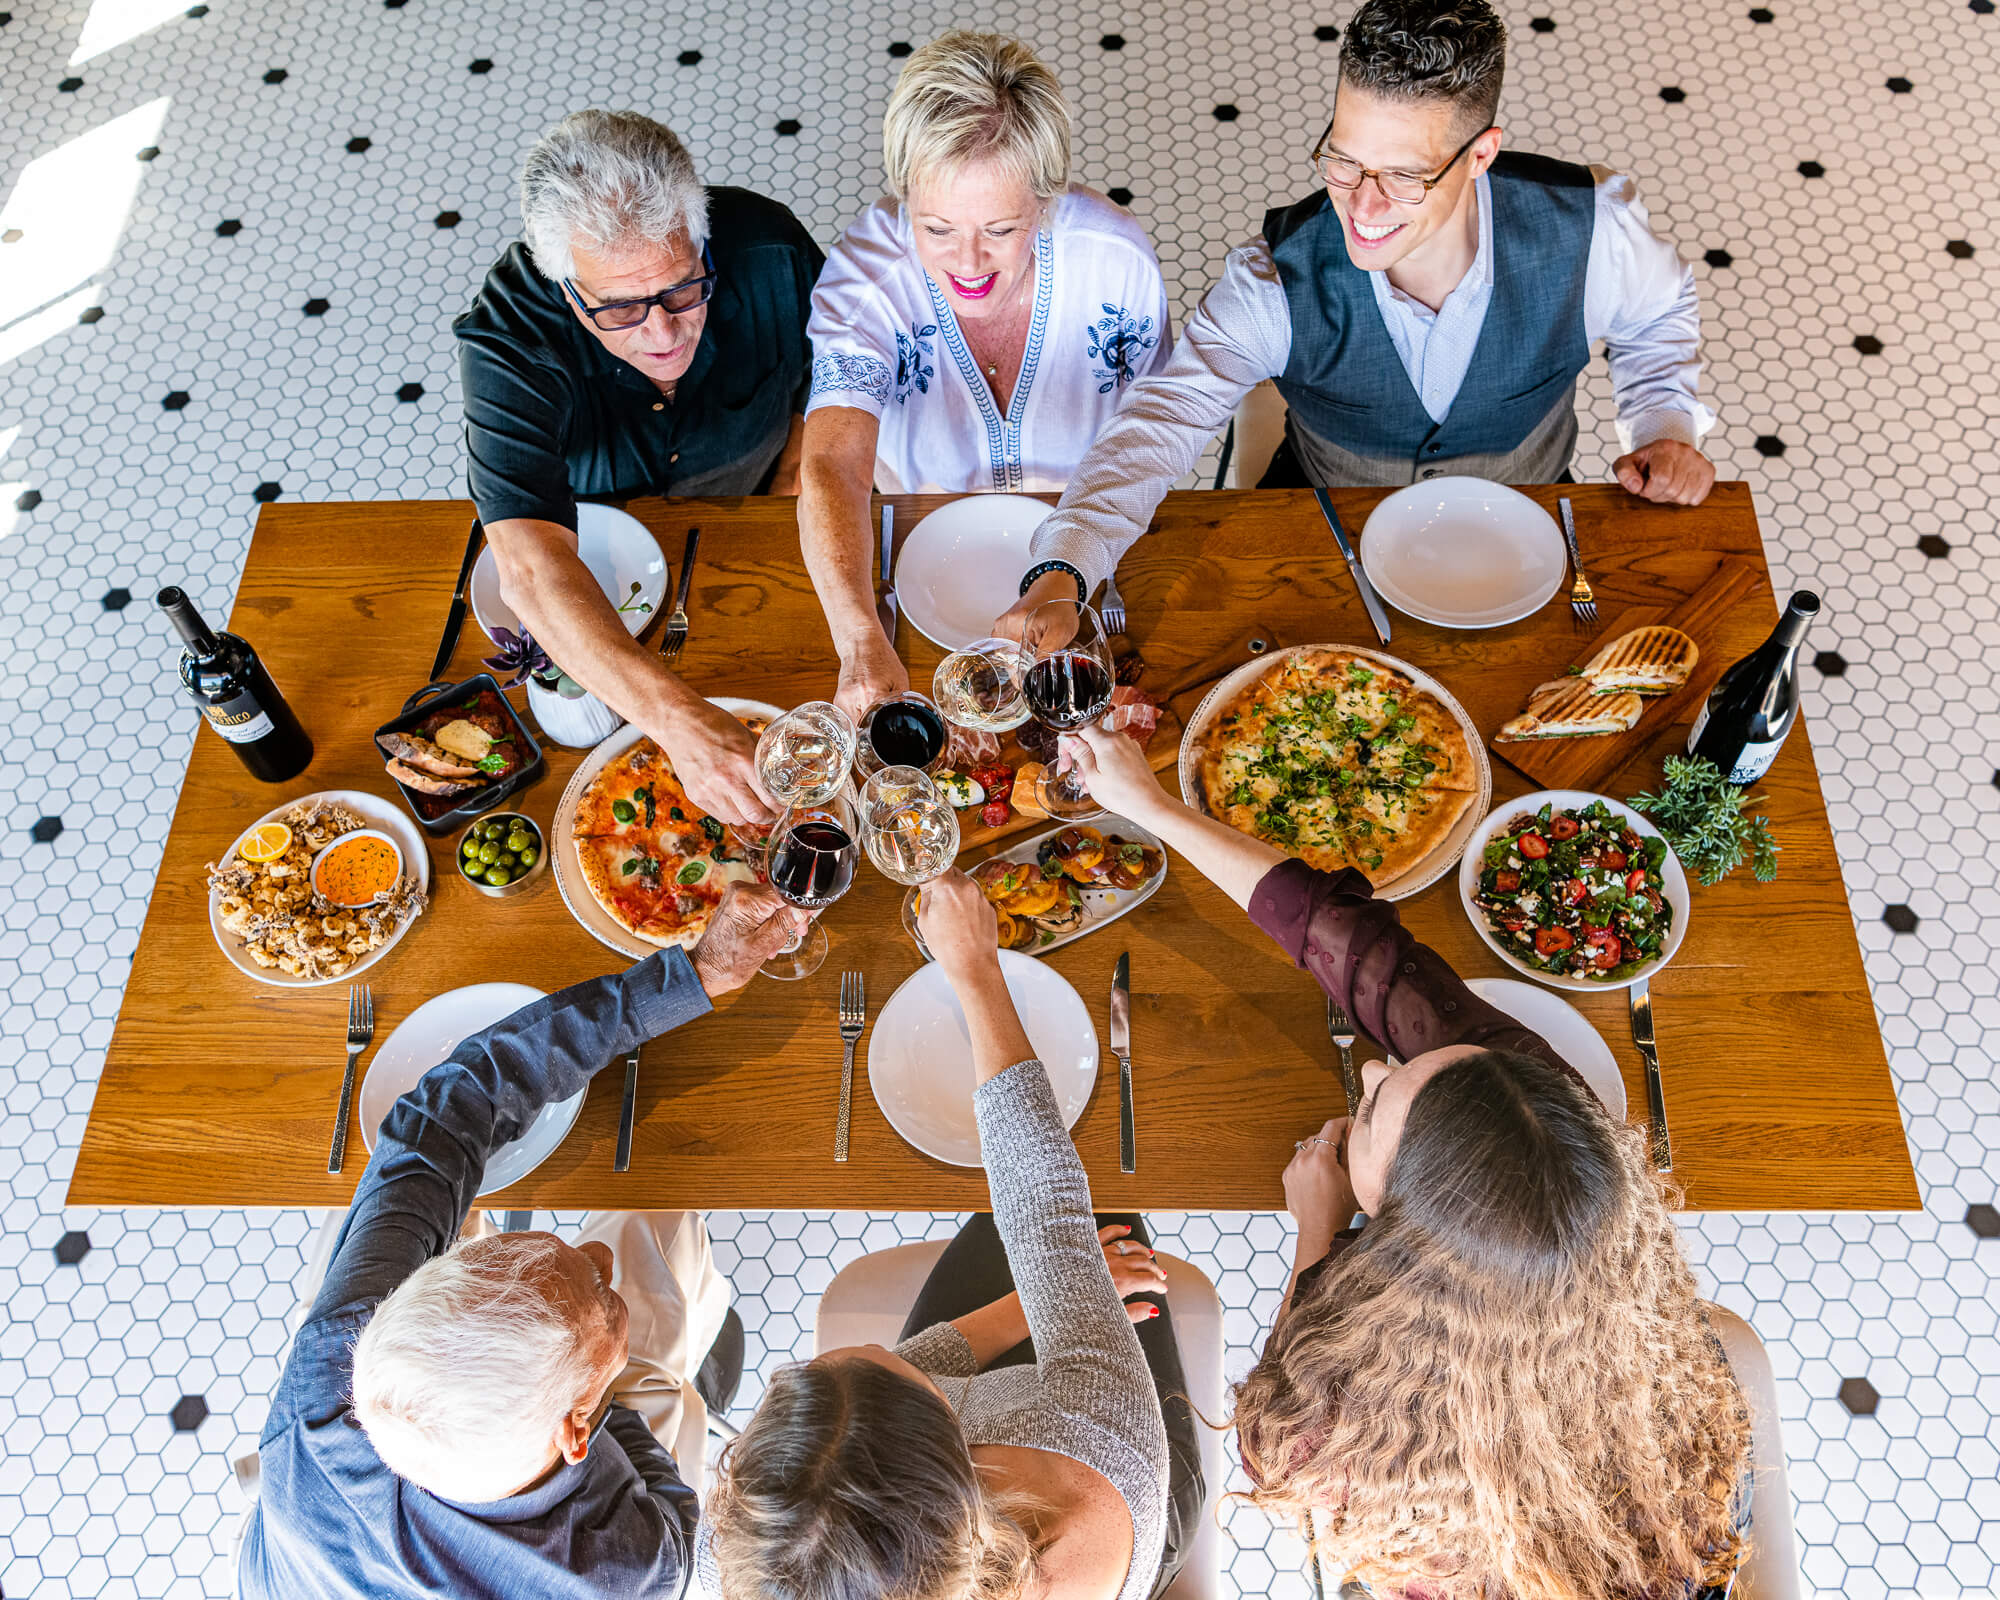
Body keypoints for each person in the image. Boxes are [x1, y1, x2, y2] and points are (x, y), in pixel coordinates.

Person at [1059, 723, 1751, 1600]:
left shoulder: (1342, 1432)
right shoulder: (1537, 1108)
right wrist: (1152, 806)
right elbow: (1366, 959)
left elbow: (1272, 1448)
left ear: (1402, 1228)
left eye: (1382, 1100)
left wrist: (1316, 1229)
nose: (1378, 1064)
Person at [997, 0, 1719, 638]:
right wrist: (1064, 567)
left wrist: (1663, 426)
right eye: (1343, 162)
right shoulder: (1274, 279)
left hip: (1519, 544)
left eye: (1405, 176)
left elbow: (1659, 316)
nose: (1362, 208)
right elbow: (1161, 425)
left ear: (1480, 156)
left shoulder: (1593, 233)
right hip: (1321, 551)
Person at [238, 884, 810, 1600]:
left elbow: (439, 1119)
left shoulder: (332, 1360)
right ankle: (686, 1345)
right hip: (584, 1459)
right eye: (599, 1297)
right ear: (580, 1431)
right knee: (646, 1230)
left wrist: (688, 976)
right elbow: (663, 1498)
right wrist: (620, 1415)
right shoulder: (621, 1567)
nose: (593, 1258)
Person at [698, 871, 1202, 1600]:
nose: (878, 1348)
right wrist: (973, 966)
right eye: (888, 1368)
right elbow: (1049, 1216)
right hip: (1127, 1459)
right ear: (958, 1456)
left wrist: (1045, 1306)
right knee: (1100, 1224)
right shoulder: (1095, 1463)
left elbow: (910, 1373)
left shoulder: (779, 1551)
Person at [455, 110, 825, 822]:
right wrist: (681, 724)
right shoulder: (507, 336)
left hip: (760, 520)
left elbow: (836, 382)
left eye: (683, 289)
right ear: (567, 289)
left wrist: (788, 487)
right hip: (602, 561)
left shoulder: (773, 249)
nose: (662, 334)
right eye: (619, 309)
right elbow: (529, 568)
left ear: (701, 237)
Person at [798, 31, 1172, 719]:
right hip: (924, 558)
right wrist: (859, 638)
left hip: (1093, 545)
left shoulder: (1115, 263)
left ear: (1046, 198)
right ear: (904, 193)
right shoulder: (865, 278)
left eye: (1000, 229)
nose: (968, 264)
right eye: (936, 228)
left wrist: (1079, 563)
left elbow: (1153, 431)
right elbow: (831, 465)